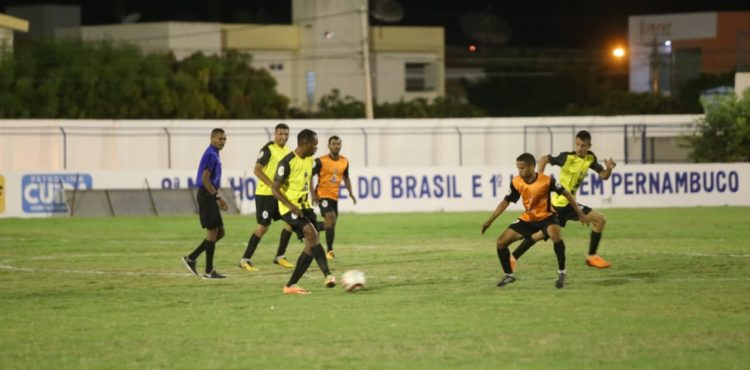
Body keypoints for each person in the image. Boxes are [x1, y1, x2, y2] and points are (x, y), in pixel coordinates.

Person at [481, 153, 589, 289]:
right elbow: (506, 201)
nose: (519, 171)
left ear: (532, 167)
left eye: (522, 168)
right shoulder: (516, 181)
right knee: (501, 243)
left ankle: (562, 272)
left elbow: (566, 193)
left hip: (547, 217)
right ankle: (509, 275)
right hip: (528, 219)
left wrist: (579, 213)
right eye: (518, 168)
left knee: (555, 235)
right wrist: (489, 221)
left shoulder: (546, 180)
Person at [511, 130, 616, 269]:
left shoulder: (590, 158)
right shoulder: (566, 157)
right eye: (577, 144)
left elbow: (603, 176)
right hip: (559, 204)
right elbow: (543, 159)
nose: (579, 148)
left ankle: (591, 256)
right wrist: (539, 182)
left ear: (589, 145)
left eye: (583, 145)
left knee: (599, 220)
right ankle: (512, 257)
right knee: (539, 235)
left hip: (570, 204)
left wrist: (608, 169)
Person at [273, 129, 336, 294]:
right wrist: (290, 205)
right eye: (314, 144)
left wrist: (313, 193)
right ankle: (327, 275)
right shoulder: (286, 163)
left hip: (305, 208)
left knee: (310, 246)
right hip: (289, 209)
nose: (316, 148)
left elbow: (309, 176)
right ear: (305, 144)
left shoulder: (310, 160)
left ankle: (291, 285)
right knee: (311, 234)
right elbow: (275, 189)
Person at [239, 123, 296, 272]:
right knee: (263, 227)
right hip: (265, 195)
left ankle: (280, 256)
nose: (283, 137)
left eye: (286, 134)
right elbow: (257, 170)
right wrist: (272, 185)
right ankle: (245, 260)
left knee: (292, 221)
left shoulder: (289, 152)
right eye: (281, 134)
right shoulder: (268, 149)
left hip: (280, 195)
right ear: (275, 134)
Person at [182, 128, 229, 279]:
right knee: (213, 232)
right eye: (220, 139)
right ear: (212, 138)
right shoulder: (210, 154)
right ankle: (209, 271)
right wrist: (217, 197)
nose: (222, 142)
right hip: (207, 195)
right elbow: (205, 179)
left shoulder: (214, 154)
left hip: (209, 196)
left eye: (224, 139)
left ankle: (192, 257)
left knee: (219, 232)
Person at [311, 135, 357, 260]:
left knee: (330, 225)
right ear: (329, 146)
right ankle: (329, 251)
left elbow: (346, 177)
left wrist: (351, 193)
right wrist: (312, 193)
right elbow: (309, 175)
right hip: (322, 194)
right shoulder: (320, 161)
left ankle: (310, 227)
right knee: (330, 218)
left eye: (338, 144)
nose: (336, 146)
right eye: (333, 144)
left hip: (334, 197)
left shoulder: (344, 161)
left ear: (340, 145)